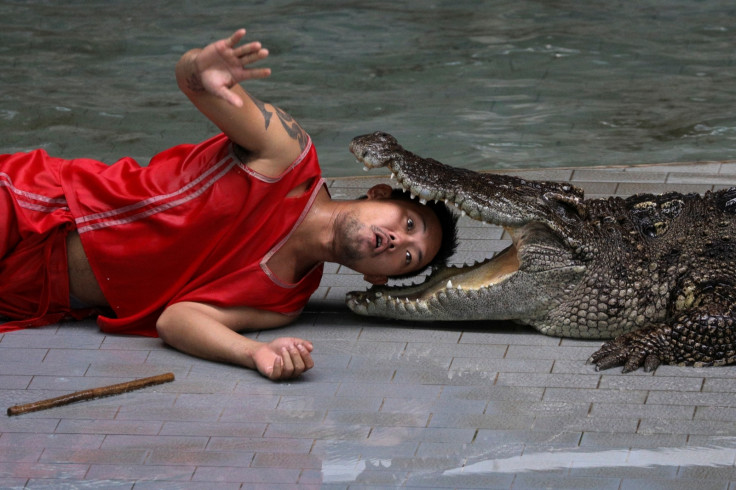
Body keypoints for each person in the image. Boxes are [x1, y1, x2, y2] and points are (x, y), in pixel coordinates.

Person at [0, 29, 457, 381]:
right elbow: (193, 80)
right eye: (409, 221)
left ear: (379, 276)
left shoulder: (284, 302)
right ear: (378, 194)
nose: (399, 240)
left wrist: (255, 352)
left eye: (408, 256)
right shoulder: (286, 155)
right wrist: (204, 69)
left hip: (35, 296)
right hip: (31, 207)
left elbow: (177, 320)